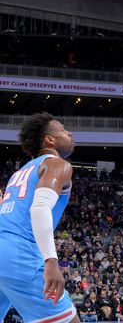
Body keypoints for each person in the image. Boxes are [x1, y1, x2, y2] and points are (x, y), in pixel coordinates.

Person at [0, 113, 79, 323]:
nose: (69, 132)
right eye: (63, 129)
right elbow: (40, 208)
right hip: (20, 254)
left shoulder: (19, 173)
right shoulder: (58, 164)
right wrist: (51, 260)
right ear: (50, 140)